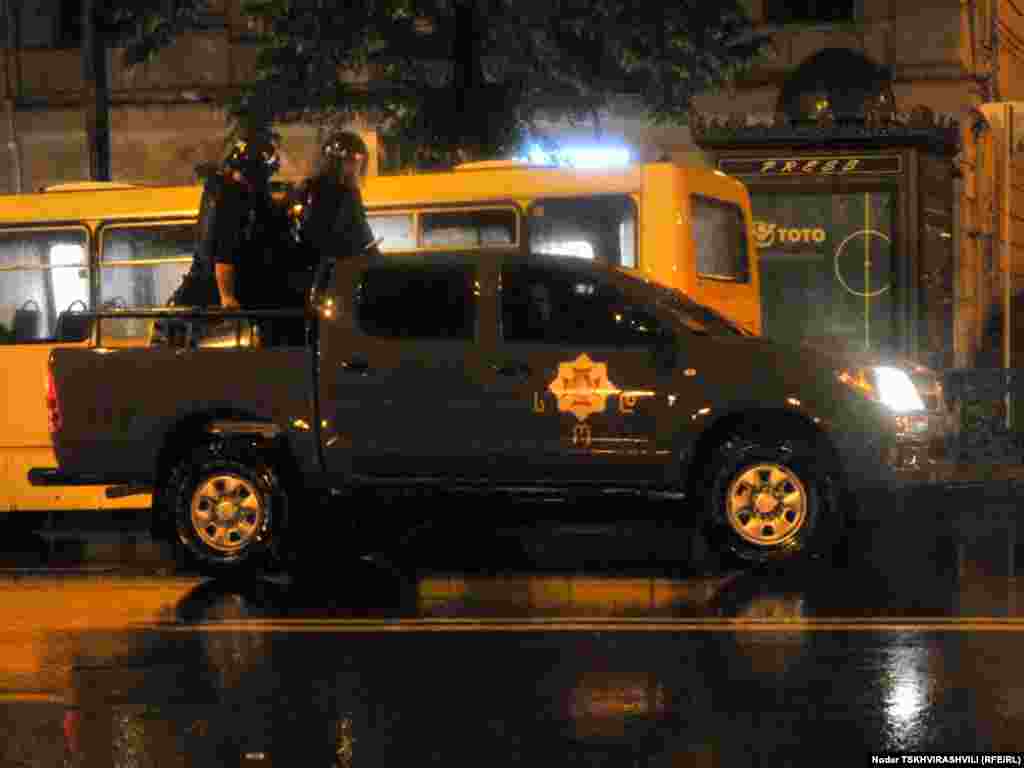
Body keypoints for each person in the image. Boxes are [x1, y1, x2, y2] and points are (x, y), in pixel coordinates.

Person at [154, 134, 280, 346]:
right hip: (205, 311)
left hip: (189, 302)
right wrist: (228, 298)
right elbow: (225, 252)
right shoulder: (234, 196)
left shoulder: (214, 192)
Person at [300, 130, 380, 265]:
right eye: (355, 162)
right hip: (337, 268)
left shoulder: (310, 187)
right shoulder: (347, 193)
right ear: (347, 162)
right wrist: (375, 256)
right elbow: (360, 231)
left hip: (314, 264)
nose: (356, 169)